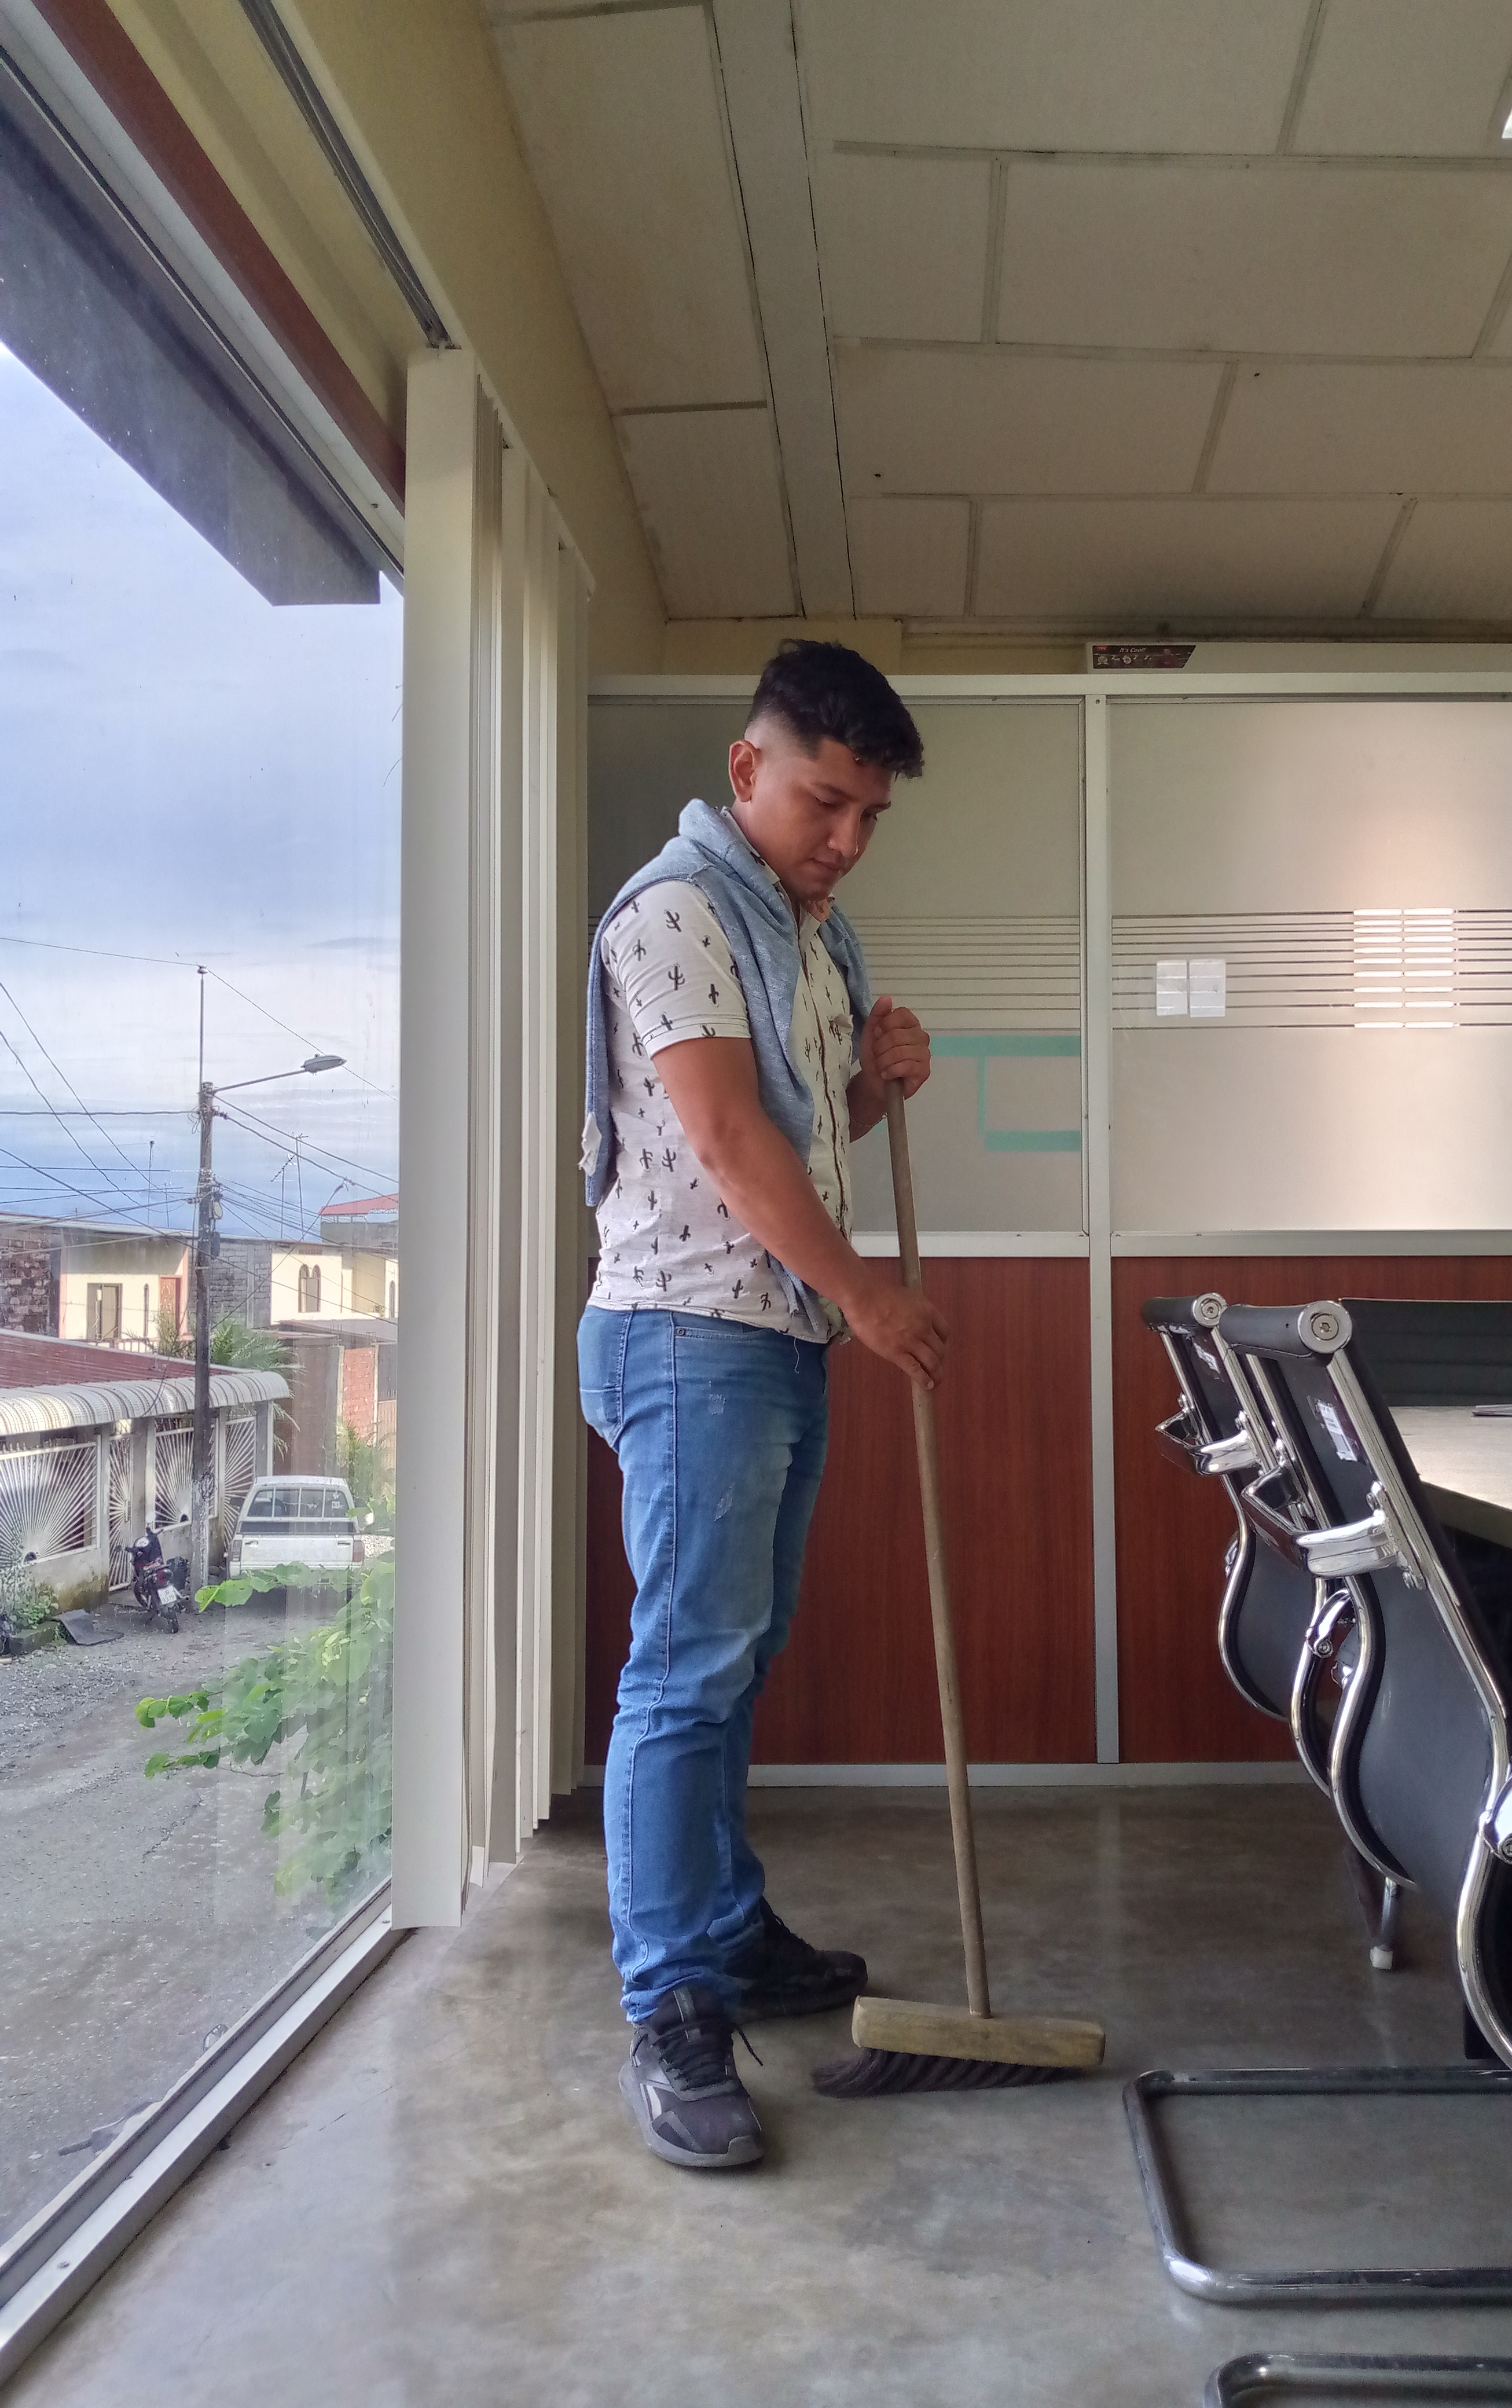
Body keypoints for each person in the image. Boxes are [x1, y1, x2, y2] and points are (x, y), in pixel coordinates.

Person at [577, 641, 946, 2172]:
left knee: (735, 1659)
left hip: (771, 1333)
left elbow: (800, 1132)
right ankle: (672, 2001)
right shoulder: (675, 913)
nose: (846, 838)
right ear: (748, 770)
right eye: (824, 801)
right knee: (686, 1671)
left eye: (869, 815)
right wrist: (865, 1295)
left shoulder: (810, 932)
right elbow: (726, 1141)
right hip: (687, 1335)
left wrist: (878, 1084)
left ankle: (726, 1932)